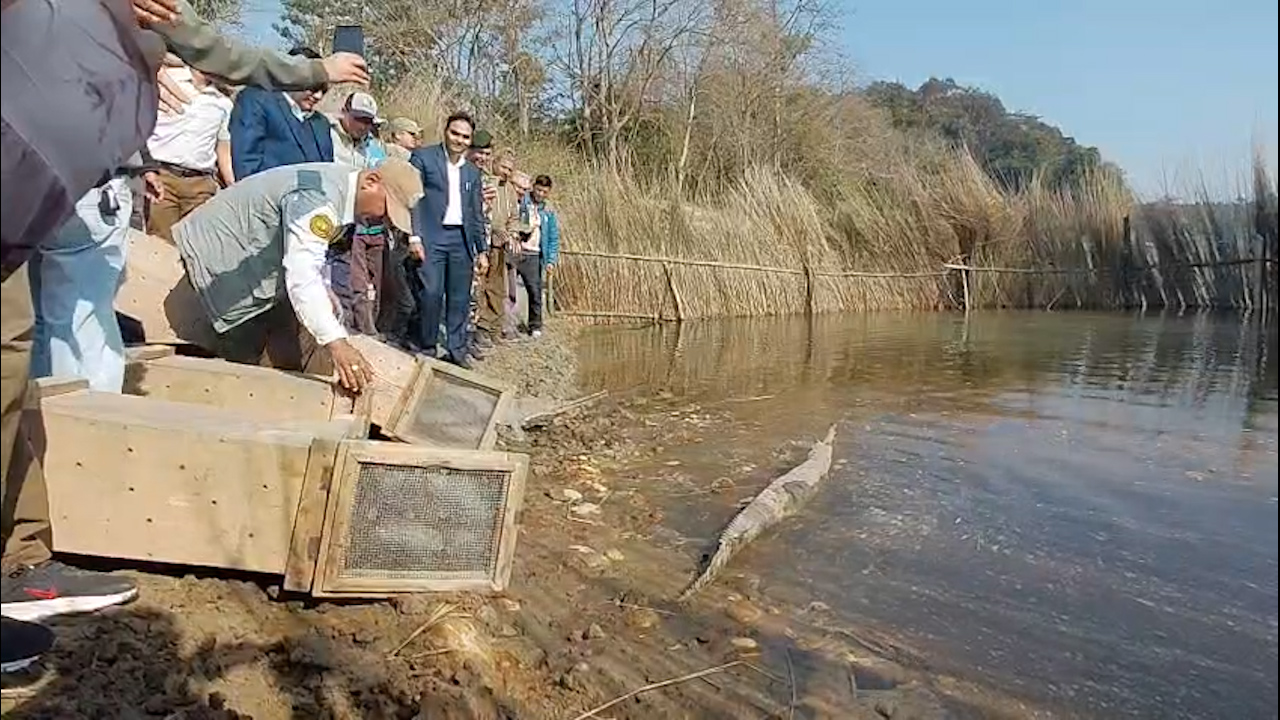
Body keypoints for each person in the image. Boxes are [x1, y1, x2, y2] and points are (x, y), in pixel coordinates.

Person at [0, 0, 369, 668]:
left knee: (31, 350)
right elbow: (301, 272)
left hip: (67, 183)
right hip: (40, 175)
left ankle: (29, 550)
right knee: (48, 347)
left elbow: (215, 49)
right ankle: (70, 514)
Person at [171, 158, 423, 391]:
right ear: (371, 182)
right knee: (241, 371)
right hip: (220, 268)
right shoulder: (317, 199)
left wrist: (324, 287)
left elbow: (313, 250)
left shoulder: (343, 188)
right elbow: (301, 271)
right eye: (385, 210)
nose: (383, 221)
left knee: (288, 349)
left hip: (257, 272)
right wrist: (336, 342)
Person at [408, 113, 488, 368]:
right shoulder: (423, 158)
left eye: (465, 137)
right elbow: (412, 200)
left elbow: (475, 213)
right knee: (431, 293)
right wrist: (414, 236)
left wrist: (482, 250)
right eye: (455, 133)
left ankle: (456, 350)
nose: (459, 140)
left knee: (459, 297)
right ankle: (428, 345)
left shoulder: (473, 172)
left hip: (461, 240)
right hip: (432, 236)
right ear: (446, 131)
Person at [145, 60, 233, 241]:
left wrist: (232, 185)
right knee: (160, 244)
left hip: (200, 184)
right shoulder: (166, 80)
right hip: (163, 177)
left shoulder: (223, 103)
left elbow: (222, 148)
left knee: (195, 246)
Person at [228, 47, 336, 180]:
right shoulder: (256, 100)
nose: (318, 96)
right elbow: (246, 164)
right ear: (293, 78)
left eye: (323, 90)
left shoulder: (320, 123)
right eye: (313, 88)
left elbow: (328, 170)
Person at [511, 174, 560, 337]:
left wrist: (551, 259)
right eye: (538, 190)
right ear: (533, 187)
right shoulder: (522, 201)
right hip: (516, 250)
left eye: (544, 192)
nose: (540, 194)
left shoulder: (549, 212)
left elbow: (553, 237)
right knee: (508, 289)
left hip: (534, 254)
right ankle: (505, 323)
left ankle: (535, 325)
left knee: (535, 291)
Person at [329, 92, 387, 170]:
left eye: (368, 122)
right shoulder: (328, 135)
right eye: (358, 119)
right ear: (344, 112)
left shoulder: (371, 144)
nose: (362, 126)